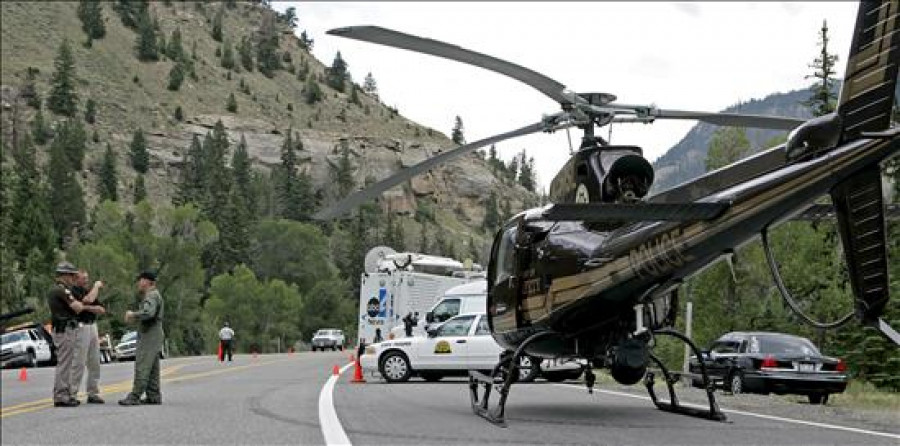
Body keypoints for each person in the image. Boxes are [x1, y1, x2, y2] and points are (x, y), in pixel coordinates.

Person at [119, 271, 165, 406]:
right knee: (152, 367)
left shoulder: (151, 296)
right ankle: (153, 395)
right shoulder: (155, 295)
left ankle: (135, 395)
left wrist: (133, 314)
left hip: (150, 334)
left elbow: (149, 313)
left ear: (148, 282)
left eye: (141, 280)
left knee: (143, 364)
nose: (139, 283)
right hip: (155, 333)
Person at [48, 261, 85, 407]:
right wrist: (80, 304)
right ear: (65, 275)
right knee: (65, 363)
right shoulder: (62, 290)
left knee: (66, 362)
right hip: (65, 329)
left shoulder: (56, 290)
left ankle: (64, 393)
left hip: (62, 329)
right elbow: (77, 307)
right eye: (71, 275)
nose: (72, 279)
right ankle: (62, 395)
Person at [72, 270, 106, 404]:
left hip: (93, 326)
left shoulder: (88, 290)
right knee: (79, 362)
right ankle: (72, 393)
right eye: (83, 278)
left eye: (87, 278)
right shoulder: (73, 291)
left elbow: (102, 309)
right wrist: (97, 286)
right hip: (81, 327)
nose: (87, 280)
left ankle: (93, 392)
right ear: (76, 279)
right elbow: (88, 300)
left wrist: (87, 307)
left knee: (95, 361)